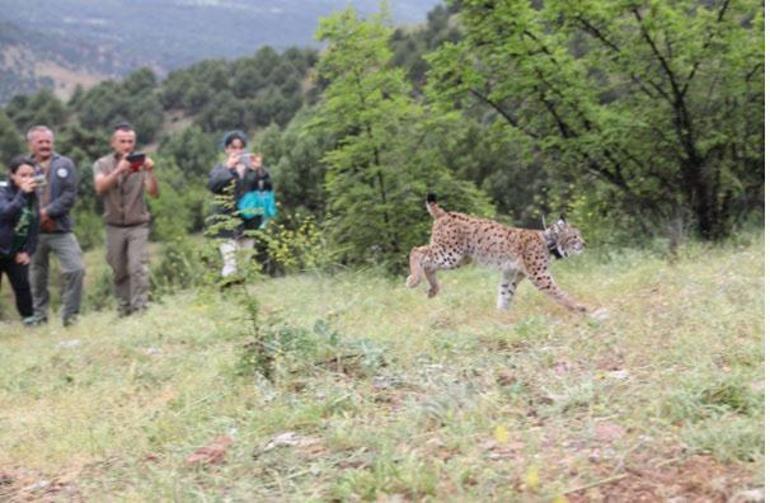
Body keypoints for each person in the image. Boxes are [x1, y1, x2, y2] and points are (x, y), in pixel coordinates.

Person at [93, 123, 158, 316]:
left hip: (138, 224)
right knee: (119, 269)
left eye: (130, 141)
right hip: (113, 225)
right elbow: (100, 187)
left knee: (138, 266)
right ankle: (124, 309)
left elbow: (154, 193)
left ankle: (140, 309)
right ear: (113, 143)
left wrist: (150, 171)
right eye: (122, 141)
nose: (127, 145)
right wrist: (118, 171)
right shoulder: (101, 164)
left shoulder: (142, 163)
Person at [26, 125, 85, 327]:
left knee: (76, 270)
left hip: (60, 229)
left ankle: (70, 317)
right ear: (31, 144)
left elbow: (70, 195)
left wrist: (47, 212)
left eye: (48, 141)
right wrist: (34, 215)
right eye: (40, 142)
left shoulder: (65, 164)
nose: (45, 145)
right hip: (33, 233)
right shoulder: (23, 166)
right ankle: (39, 317)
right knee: (36, 277)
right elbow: (15, 196)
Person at [207, 130, 272, 280]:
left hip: (250, 222)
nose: (237, 151)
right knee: (230, 262)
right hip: (225, 222)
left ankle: (239, 297)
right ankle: (228, 292)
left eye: (240, 147)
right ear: (226, 149)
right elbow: (213, 186)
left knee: (243, 264)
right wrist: (228, 169)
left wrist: (260, 171)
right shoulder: (219, 169)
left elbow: (267, 188)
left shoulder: (253, 170)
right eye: (233, 147)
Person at [0, 156, 40, 325]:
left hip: (16, 250)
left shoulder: (32, 196)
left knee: (23, 286)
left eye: (31, 175)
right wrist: (22, 193)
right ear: (12, 175)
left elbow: (34, 225)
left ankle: (29, 321)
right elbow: (6, 213)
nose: (28, 179)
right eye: (23, 175)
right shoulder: (2, 191)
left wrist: (27, 251)